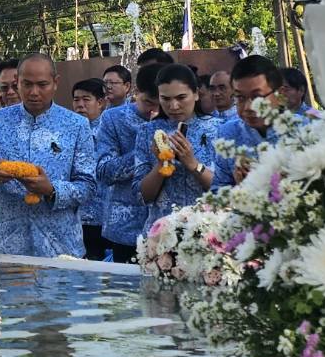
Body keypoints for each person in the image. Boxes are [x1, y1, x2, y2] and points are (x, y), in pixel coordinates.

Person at [0, 53, 97, 257]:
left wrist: (52, 190)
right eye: (27, 84)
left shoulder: (76, 125)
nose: (34, 92)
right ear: (17, 82)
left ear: (55, 82)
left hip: (61, 247)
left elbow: (88, 186)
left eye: (42, 85)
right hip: (9, 245)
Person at [134, 64, 231, 231]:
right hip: (162, 233)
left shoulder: (220, 129)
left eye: (181, 97)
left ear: (196, 94)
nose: (173, 106)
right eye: (165, 99)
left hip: (208, 231)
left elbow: (226, 192)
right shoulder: (148, 131)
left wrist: (193, 164)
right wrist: (161, 165)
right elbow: (141, 197)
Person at [96, 65, 161, 263]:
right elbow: (104, 171)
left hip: (166, 226)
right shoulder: (113, 118)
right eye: (148, 102)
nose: (155, 110)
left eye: (161, 103)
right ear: (136, 92)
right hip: (126, 228)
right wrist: (145, 147)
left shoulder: (176, 119)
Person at [216, 55, 298, 182]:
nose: (248, 107)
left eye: (257, 97)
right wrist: (240, 187)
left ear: (280, 94)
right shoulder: (228, 134)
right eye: (240, 98)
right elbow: (218, 188)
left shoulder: (303, 130)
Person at [71, 78, 111, 261]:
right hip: (77, 215)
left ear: (100, 103)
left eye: (86, 99)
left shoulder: (108, 130)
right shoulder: (69, 130)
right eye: (76, 99)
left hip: (103, 216)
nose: (80, 105)